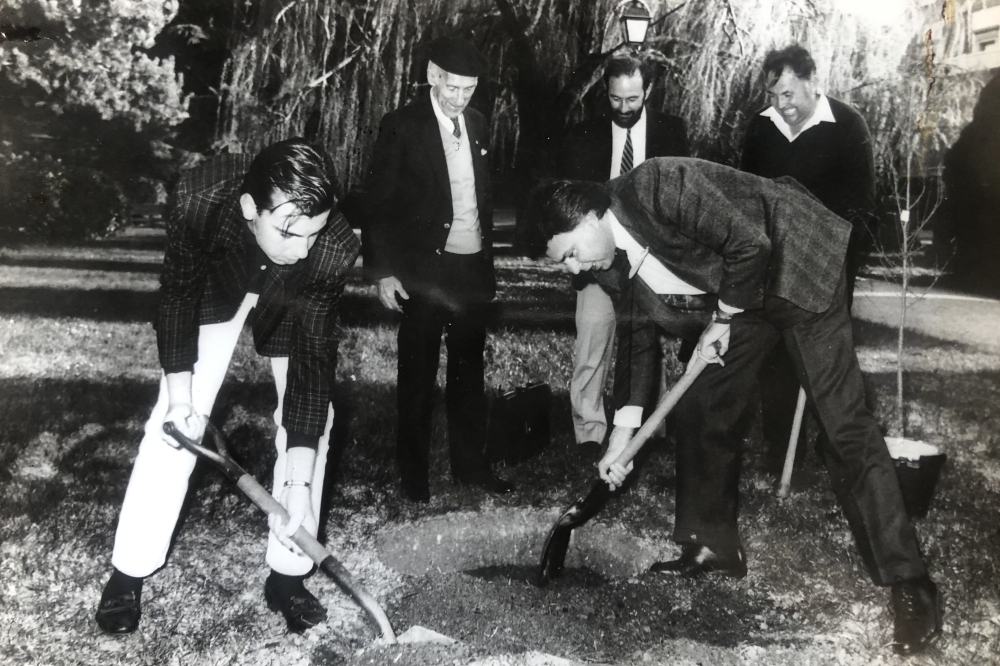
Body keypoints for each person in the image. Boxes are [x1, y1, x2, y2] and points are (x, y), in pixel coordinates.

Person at [526, 157, 942, 657]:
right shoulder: (610, 260)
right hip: (743, 298)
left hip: (799, 269)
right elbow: (639, 342)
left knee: (843, 427)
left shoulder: (658, 185)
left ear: (590, 217)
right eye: (562, 264)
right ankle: (713, 546)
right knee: (700, 404)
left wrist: (721, 319)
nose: (573, 269)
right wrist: (622, 436)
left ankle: (911, 584)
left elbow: (752, 244)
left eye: (570, 254)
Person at [95, 139, 359, 635]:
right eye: (287, 231)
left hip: (289, 301)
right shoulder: (200, 199)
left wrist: (297, 487)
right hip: (219, 284)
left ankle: (288, 576)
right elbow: (177, 296)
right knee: (176, 420)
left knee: (314, 424)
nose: (300, 248)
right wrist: (180, 397)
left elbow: (312, 365)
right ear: (248, 208)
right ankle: (129, 570)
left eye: (312, 233)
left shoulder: (330, 248)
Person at [362, 37, 513, 503]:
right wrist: (383, 269)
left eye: (468, 90)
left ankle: (470, 466)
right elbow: (377, 203)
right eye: (453, 87)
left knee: (469, 376)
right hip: (424, 271)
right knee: (418, 376)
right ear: (432, 76)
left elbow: (482, 198)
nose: (460, 98)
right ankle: (414, 477)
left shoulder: (480, 125)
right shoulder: (401, 126)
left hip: (471, 271)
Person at [741, 44, 877, 470]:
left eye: (789, 95)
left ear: (812, 82)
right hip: (776, 264)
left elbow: (861, 209)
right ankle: (782, 448)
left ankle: (836, 448)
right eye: (773, 96)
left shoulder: (848, 126)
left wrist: (832, 262)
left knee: (827, 361)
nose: (781, 106)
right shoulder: (760, 129)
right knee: (777, 358)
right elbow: (748, 198)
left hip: (829, 265)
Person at [556, 52, 689, 455]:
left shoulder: (671, 132)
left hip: (650, 257)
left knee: (647, 341)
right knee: (593, 339)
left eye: (633, 99)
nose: (625, 108)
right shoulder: (582, 137)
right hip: (599, 258)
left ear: (647, 91)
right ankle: (590, 431)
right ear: (606, 94)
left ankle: (652, 428)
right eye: (616, 99)